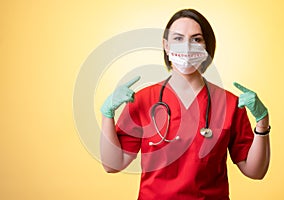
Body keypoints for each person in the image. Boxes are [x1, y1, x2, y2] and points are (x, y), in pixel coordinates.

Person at [100, 8, 270, 200]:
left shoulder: (229, 104)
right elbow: (113, 165)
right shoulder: (142, 100)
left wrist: (262, 123)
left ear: (207, 47)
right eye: (178, 39)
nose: (187, 47)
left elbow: (255, 171)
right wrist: (107, 115)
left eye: (196, 39)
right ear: (166, 45)